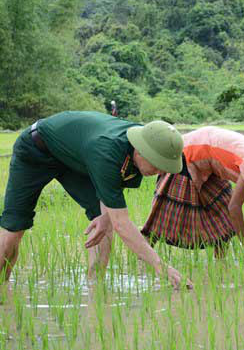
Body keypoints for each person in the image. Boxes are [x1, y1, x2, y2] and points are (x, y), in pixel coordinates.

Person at [0, 111, 190, 289]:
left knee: (103, 221)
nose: (160, 172)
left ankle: (95, 288)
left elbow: (115, 187)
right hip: (36, 149)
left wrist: (106, 217)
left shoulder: (151, 140)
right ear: (140, 152)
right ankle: (3, 287)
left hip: (77, 158)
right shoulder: (107, 151)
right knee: (14, 229)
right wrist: (161, 267)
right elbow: (122, 224)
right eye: (157, 165)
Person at [140, 126, 244, 258]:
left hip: (212, 166)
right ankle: (142, 259)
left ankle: (221, 265)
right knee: (165, 217)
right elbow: (235, 207)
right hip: (189, 156)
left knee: (223, 220)